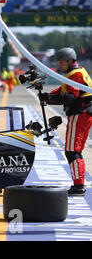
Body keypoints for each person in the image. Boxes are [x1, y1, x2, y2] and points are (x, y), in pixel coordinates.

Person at [39, 47, 92, 196]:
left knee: (72, 151)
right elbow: (64, 89)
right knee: (76, 151)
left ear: (70, 61)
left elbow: (69, 97)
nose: (59, 65)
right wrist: (48, 95)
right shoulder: (78, 71)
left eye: (62, 63)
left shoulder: (74, 75)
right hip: (84, 114)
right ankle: (78, 183)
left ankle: (78, 186)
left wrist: (49, 98)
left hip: (79, 115)